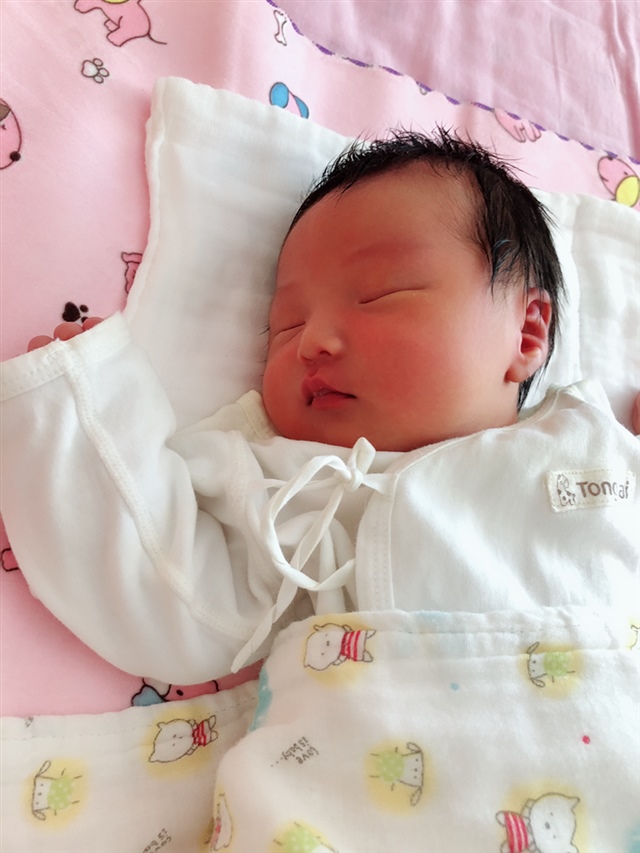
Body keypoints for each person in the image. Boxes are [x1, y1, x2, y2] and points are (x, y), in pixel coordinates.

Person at [1, 131, 638, 851]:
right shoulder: (302, 488)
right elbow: (169, 592)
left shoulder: (592, 444)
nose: (312, 342)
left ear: (526, 332)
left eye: (382, 294)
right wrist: (83, 413)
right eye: (286, 325)